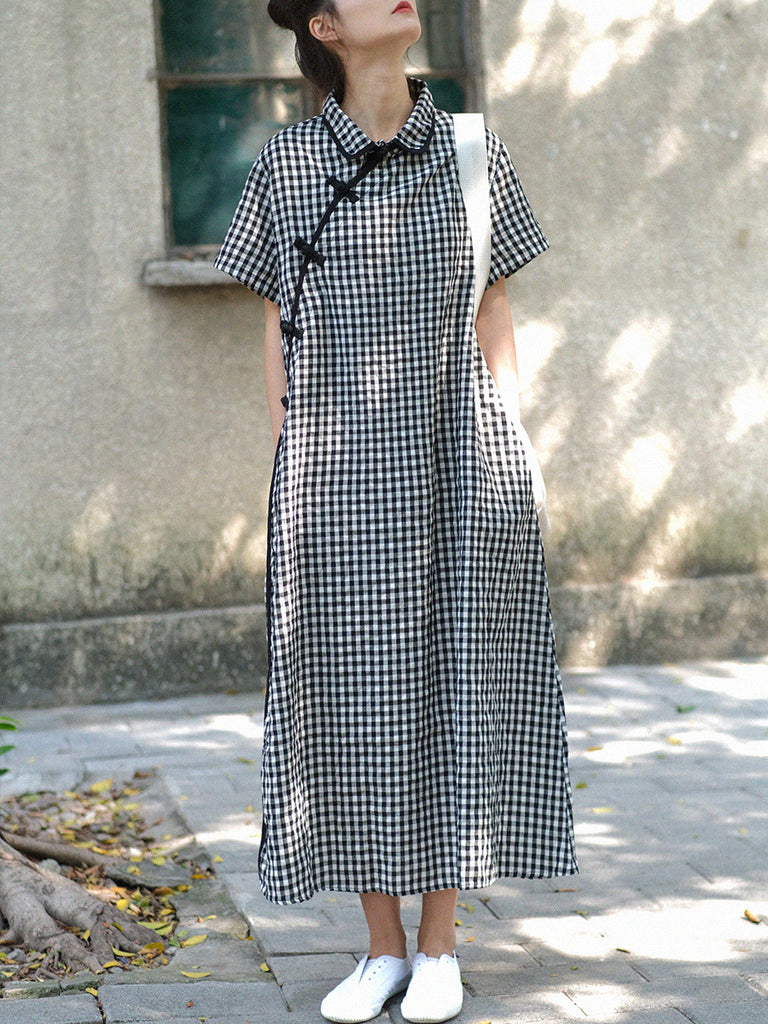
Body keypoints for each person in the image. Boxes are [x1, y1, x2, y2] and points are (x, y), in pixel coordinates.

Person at [214, 1, 577, 1021]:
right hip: (335, 467)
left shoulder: (472, 152)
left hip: (461, 454)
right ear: (326, 27)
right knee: (347, 689)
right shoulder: (287, 164)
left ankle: (441, 943)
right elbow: (278, 323)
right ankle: (380, 949)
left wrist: (513, 444)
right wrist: (290, 454)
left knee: (461, 678)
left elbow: (494, 304)